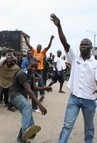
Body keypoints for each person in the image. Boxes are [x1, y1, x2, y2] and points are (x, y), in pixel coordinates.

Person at [50, 13, 97, 143]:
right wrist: (59, 26)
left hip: (89, 100)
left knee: (89, 127)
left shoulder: (95, 63)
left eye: (86, 44)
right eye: (81, 44)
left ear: (91, 48)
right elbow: (64, 43)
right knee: (67, 125)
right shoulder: (74, 57)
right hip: (74, 98)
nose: (83, 45)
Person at [9, 57, 52, 143]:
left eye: (35, 67)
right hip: (15, 95)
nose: (33, 69)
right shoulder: (22, 74)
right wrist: (40, 105)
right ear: (28, 65)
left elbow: (33, 87)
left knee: (27, 116)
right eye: (32, 66)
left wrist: (44, 88)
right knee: (27, 106)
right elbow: (29, 91)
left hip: (21, 96)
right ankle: (26, 132)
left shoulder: (31, 75)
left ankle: (21, 139)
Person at [23, 33, 54, 102]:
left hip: (40, 70)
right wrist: (25, 38)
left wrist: (51, 39)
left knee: (41, 82)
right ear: (36, 47)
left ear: (41, 48)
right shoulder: (34, 52)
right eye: (38, 47)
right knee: (32, 81)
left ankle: (42, 95)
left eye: (40, 47)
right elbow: (28, 45)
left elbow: (48, 47)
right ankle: (32, 95)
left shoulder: (42, 53)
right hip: (33, 69)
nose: (38, 48)